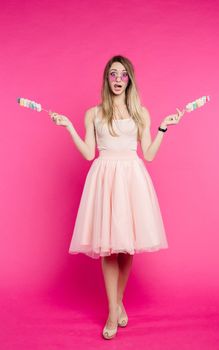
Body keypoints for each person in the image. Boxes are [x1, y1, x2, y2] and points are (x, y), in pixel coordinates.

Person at [50, 55, 185, 340]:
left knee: (127, 248)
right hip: (105, 179)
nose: (118, 80)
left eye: (123, 75)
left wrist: (162, 128)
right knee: (108, 248)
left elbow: (147, 154)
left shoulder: (141, 113)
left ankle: (116, 302)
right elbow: (89, 154)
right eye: (113, 74)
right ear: (106, 79)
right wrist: (69, 127)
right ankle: (113, 311)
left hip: (132, 180)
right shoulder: (94, 113)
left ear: (130, 79)